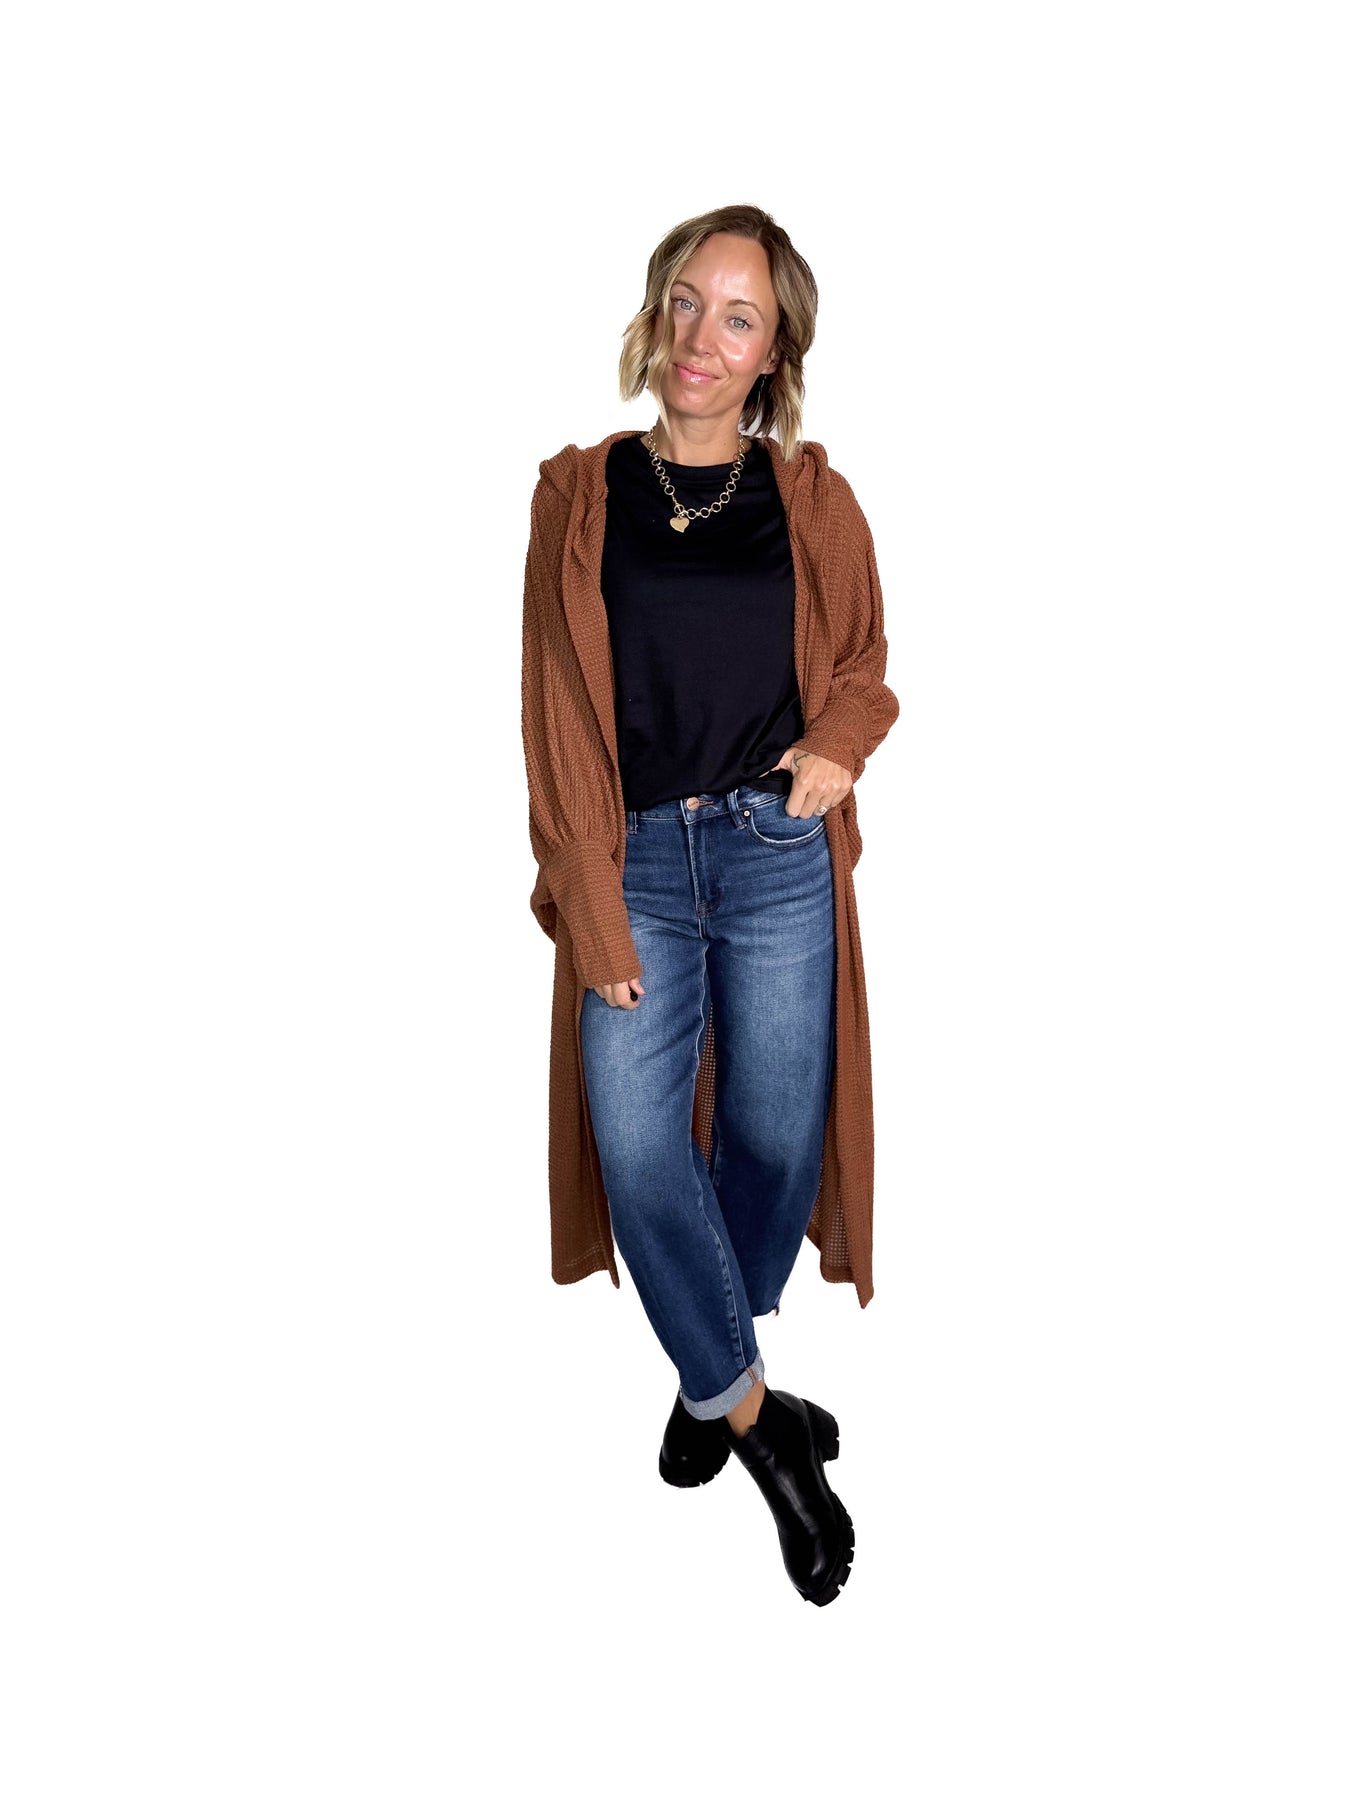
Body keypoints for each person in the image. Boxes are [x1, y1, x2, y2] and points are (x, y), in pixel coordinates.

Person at [519, 204, 900, 1606]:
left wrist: (832, 753)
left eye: (737, 316)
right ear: (655, 310)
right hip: (629, 862)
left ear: (772, 351)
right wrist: (587, 897)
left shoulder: (813, 501)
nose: (701, 335)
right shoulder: (579, 496)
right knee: (636, 1148)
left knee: (773, 1136)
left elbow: (864, 667)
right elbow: (553, 718)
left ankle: (705, 1385)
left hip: (771, 849)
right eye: (686, 300)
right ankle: (761, 1430)